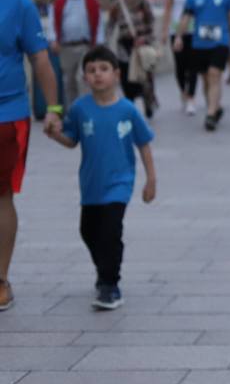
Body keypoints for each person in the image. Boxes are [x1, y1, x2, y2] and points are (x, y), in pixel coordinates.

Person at [41, 45, 156, 310]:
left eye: (104, 69)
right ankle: (104, 267)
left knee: (110, 231)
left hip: (120, 183)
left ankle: (110, 285)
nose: (97, 75)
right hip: (91, 185)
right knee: (88, 231)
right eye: (91, 70)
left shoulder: (127, 110)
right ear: (85, 78)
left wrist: (151, 180)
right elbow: (71, 140)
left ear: (116, 74)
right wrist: (54, 134)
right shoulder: (80, 109)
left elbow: (144, 144)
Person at [0, 0, 62, 312]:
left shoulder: (17, 2)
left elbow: (40, 59)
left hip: (6, 115)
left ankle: (0, 280)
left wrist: (53, 109)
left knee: (1, 195)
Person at [173, 0, 230, 132]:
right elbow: (186, 17)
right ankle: (215, 107)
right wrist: (178, 36)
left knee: (214, 74)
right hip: (199, 43)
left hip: (221, 41)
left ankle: (210, 114)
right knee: (206, 80)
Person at [47, 0, 105, 106]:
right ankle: (72, 110)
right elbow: (51, 22)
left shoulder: (91, 2)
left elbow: (99, 23)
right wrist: (53, 39)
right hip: (66, 47)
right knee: (69, 81)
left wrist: (98, 42)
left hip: (85, 45)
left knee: (83, 78)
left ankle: (86, 108)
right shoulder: (59, 3)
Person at [106, 0, 158, 118]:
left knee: (145, 76)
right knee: (126, 74)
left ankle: (148, 101)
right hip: (125, 44)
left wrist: (145, 38)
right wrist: (107, 43)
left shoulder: (142, 2)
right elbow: (111, 25)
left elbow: (151, 22)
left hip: (142, 43)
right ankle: (130, 104)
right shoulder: (117, 5)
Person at [161, 0, 200, 115]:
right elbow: (168, 8)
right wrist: (164, 30)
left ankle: (191, 97)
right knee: (180, 65)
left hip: (195, 29)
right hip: (177, 28)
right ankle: (183, 90)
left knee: (194, 65)